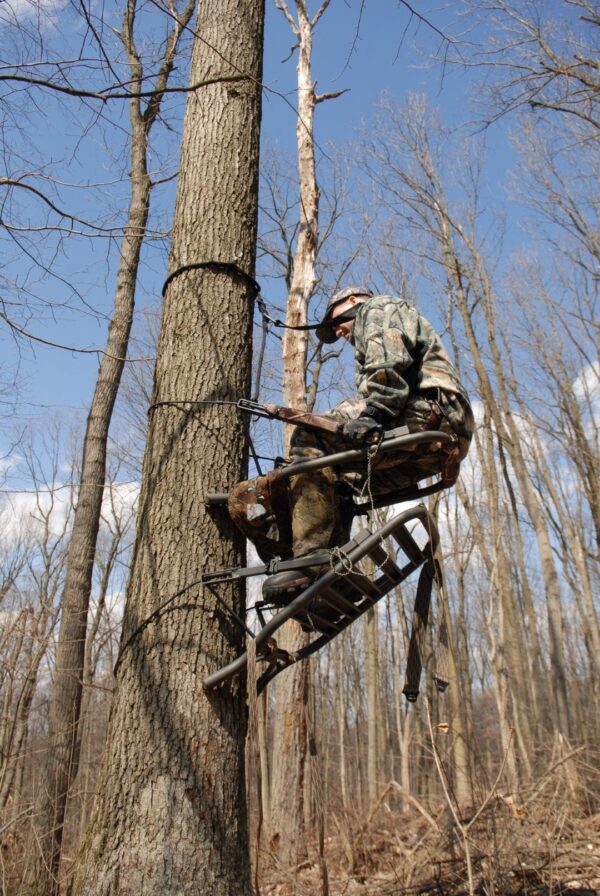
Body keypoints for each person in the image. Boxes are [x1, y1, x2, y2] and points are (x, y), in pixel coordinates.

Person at [229, 287, 474, 599]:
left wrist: (374, 413)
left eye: (336, 323)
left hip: (430, 415)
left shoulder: (378, 308)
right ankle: (332, 573)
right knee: (336, 482)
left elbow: (388, 363)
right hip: (436, 447)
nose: (338, 332)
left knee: (310, 434)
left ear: (353, 301)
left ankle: (312, 561)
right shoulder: (370, 329)